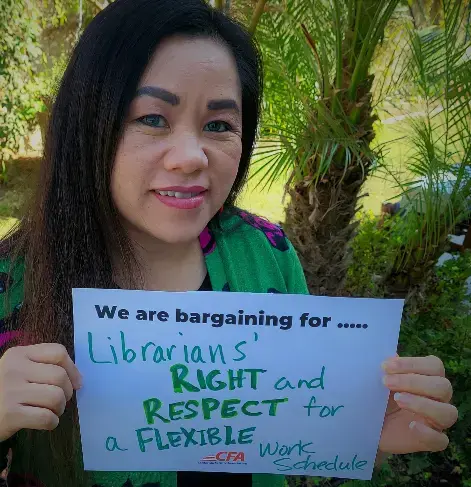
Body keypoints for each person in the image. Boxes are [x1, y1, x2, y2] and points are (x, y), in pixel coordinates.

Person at [0, 0, 458, 486]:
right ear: (89, 125)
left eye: (218, 125)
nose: (191, 156)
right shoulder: (14, 281)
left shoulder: (266, 252)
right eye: (152, 118)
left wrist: (366, 430)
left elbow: (296, 434)